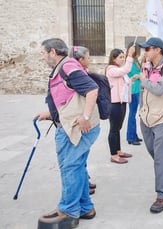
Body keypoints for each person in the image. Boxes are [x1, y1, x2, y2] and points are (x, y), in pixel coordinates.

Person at [36, 38, 100, 227]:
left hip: (77, 128)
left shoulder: (68, 67)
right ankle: (85, 207)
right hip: (69, 125)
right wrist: (50, 114)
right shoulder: (63, 68)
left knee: (70, 167)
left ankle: (69, 210)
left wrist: (86, 117)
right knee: (77, 166)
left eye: (43, 53)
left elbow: (92, 90)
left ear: (53, 52)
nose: (42, 57)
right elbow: (68, 98)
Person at [138, 37, 163, 213]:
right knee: (152, 150)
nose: (144, 52)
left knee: (159, 156)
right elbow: (144, 91)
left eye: (147, 49)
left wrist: (142, 79)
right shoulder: (146, 66)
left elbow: (159, 89)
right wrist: (140, 110)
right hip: (146, 117)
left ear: (158, 50)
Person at [69, 46, 98, 195]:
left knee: (82, 155)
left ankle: (85, 181)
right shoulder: (76, 73)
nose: (90, 60)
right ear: (80, 59)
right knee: (78, 157)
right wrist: (85, 117)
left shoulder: (80, 71)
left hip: (82, 119)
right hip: (79, 120)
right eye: (87, 57)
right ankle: (83, 182)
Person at [106, 47, 136, 164]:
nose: (123, 59)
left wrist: (132, 79)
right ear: (113, 58)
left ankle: (118, 151)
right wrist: (130, 55)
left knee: (118, 128)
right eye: (121, 57)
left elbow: (125, 83)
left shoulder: (119, 70)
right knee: (113, 129)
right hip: (114, 103)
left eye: (124, 57)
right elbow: (126, 69)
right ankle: (113, 155)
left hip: (121, 102)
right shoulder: (111, 69)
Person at [125, 42, 143, 146]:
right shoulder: (130, 62)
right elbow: (132, 74)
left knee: (134, 114)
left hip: (137, 90)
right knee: (132, 114)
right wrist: (139, 75)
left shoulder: (136, 61)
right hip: (133, 90)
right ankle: (130, 137)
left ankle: (134, 135)